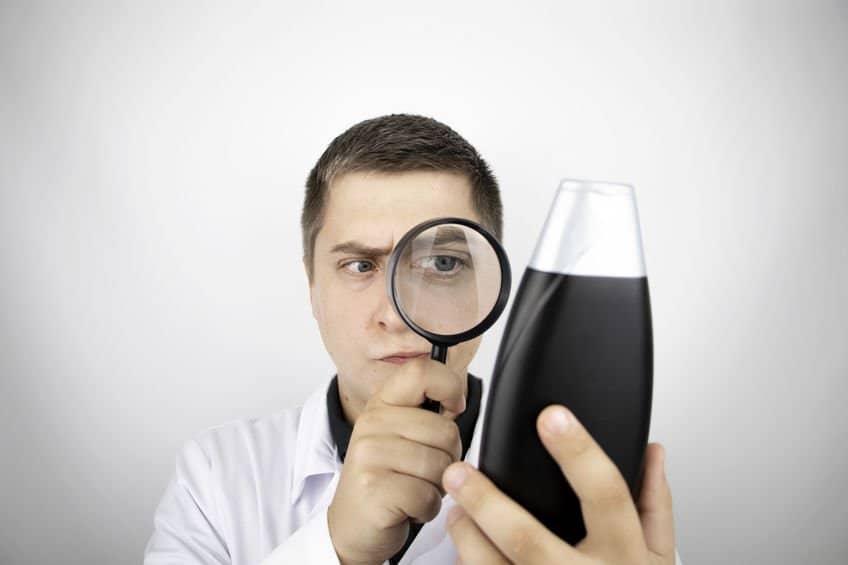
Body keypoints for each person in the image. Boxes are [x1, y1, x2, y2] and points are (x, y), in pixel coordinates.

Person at [144, 114, 681, 564]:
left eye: (442, 263)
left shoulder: (597, 496)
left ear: (487, 286)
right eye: (359, 264)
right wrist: (334, 546)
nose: (396, 317)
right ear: (312, 287)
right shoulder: (218, 474)